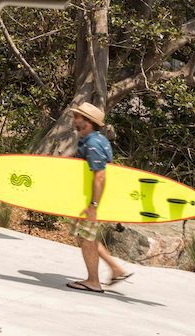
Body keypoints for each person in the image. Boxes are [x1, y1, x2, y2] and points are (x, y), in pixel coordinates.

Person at [65, 102, 133, 293]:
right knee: (85, 236)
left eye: (77, 116)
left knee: (86, 239)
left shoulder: (93, 143)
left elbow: (100, 175)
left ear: (86, 121)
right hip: (88, 199)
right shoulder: (94, 139)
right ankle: (115, 269)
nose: (74, 119)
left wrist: (93, 205)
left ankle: (93, 281)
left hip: (92, 200)